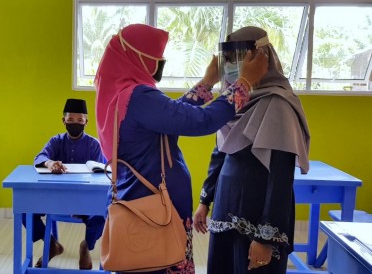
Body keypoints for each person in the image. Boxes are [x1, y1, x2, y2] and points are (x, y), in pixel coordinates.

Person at [94, 23, 268, 274]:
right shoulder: (139, 96)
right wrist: (244, 84)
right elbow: (201, 121)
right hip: (156, 213)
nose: (160, 62)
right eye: (156, 57)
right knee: (157, 261)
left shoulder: (121, 93)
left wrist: (207, 83)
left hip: (141, 202)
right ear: (139, 56)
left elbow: (172, 114)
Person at [193, 26, 310, 274]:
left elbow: (281, 178)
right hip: (226, 206)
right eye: (231, 59)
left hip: (258, 213)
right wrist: (205, 200)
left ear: (261, 59)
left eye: (243, 58)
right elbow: (220, 154)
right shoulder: (232, 101)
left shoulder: (278, 104)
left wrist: (266, 238)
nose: (236, 66)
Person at [26, 98, 106, 269]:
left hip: (86, 201)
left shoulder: (94, 145)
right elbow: (39, 158)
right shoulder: (56, 141)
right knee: (26, 210)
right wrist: (50, 163)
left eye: (79, 120)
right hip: (56, 198)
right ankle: (52, 245)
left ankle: (86, 246)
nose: (75, 124)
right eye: (70, 120)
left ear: (86, 121)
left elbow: (103, 173)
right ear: (64, 121)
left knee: (102, 215)